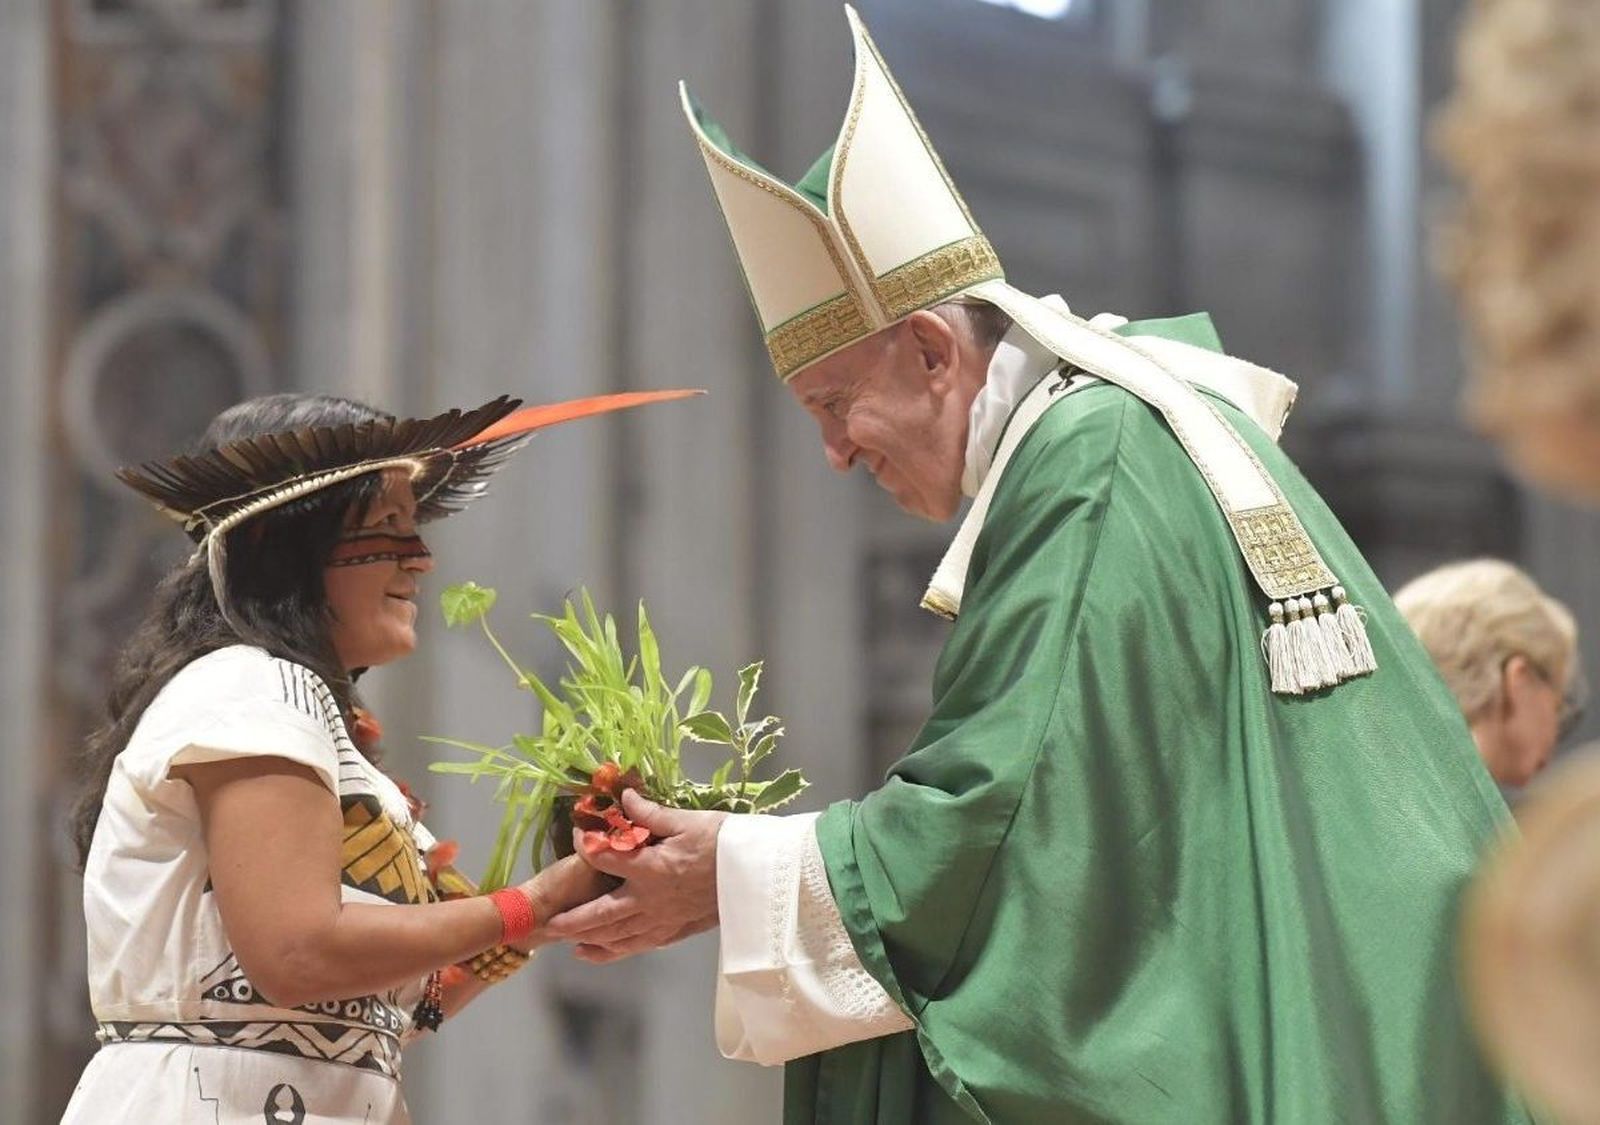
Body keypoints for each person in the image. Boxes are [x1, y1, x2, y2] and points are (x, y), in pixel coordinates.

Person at [544, 8, 1536, 1123]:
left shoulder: (1087, 463)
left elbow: (1002, 822)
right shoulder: (1119, 430)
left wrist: (734, 871)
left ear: (930, 351)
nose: (831, 454)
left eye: (835, 405)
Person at [63, 388, 695, 1122]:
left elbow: (381, 1002)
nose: (421, 558)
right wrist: (530, 902)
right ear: (281, 541)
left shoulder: (295, 706)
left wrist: (546, 916)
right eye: (390, 524)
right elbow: (298, 953)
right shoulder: (249, 687)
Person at [1395, 559, 1583, 788]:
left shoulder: (1387, 786)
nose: (1554, 735)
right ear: (1520, 681)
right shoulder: (1469, 816)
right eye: (1558, 706)